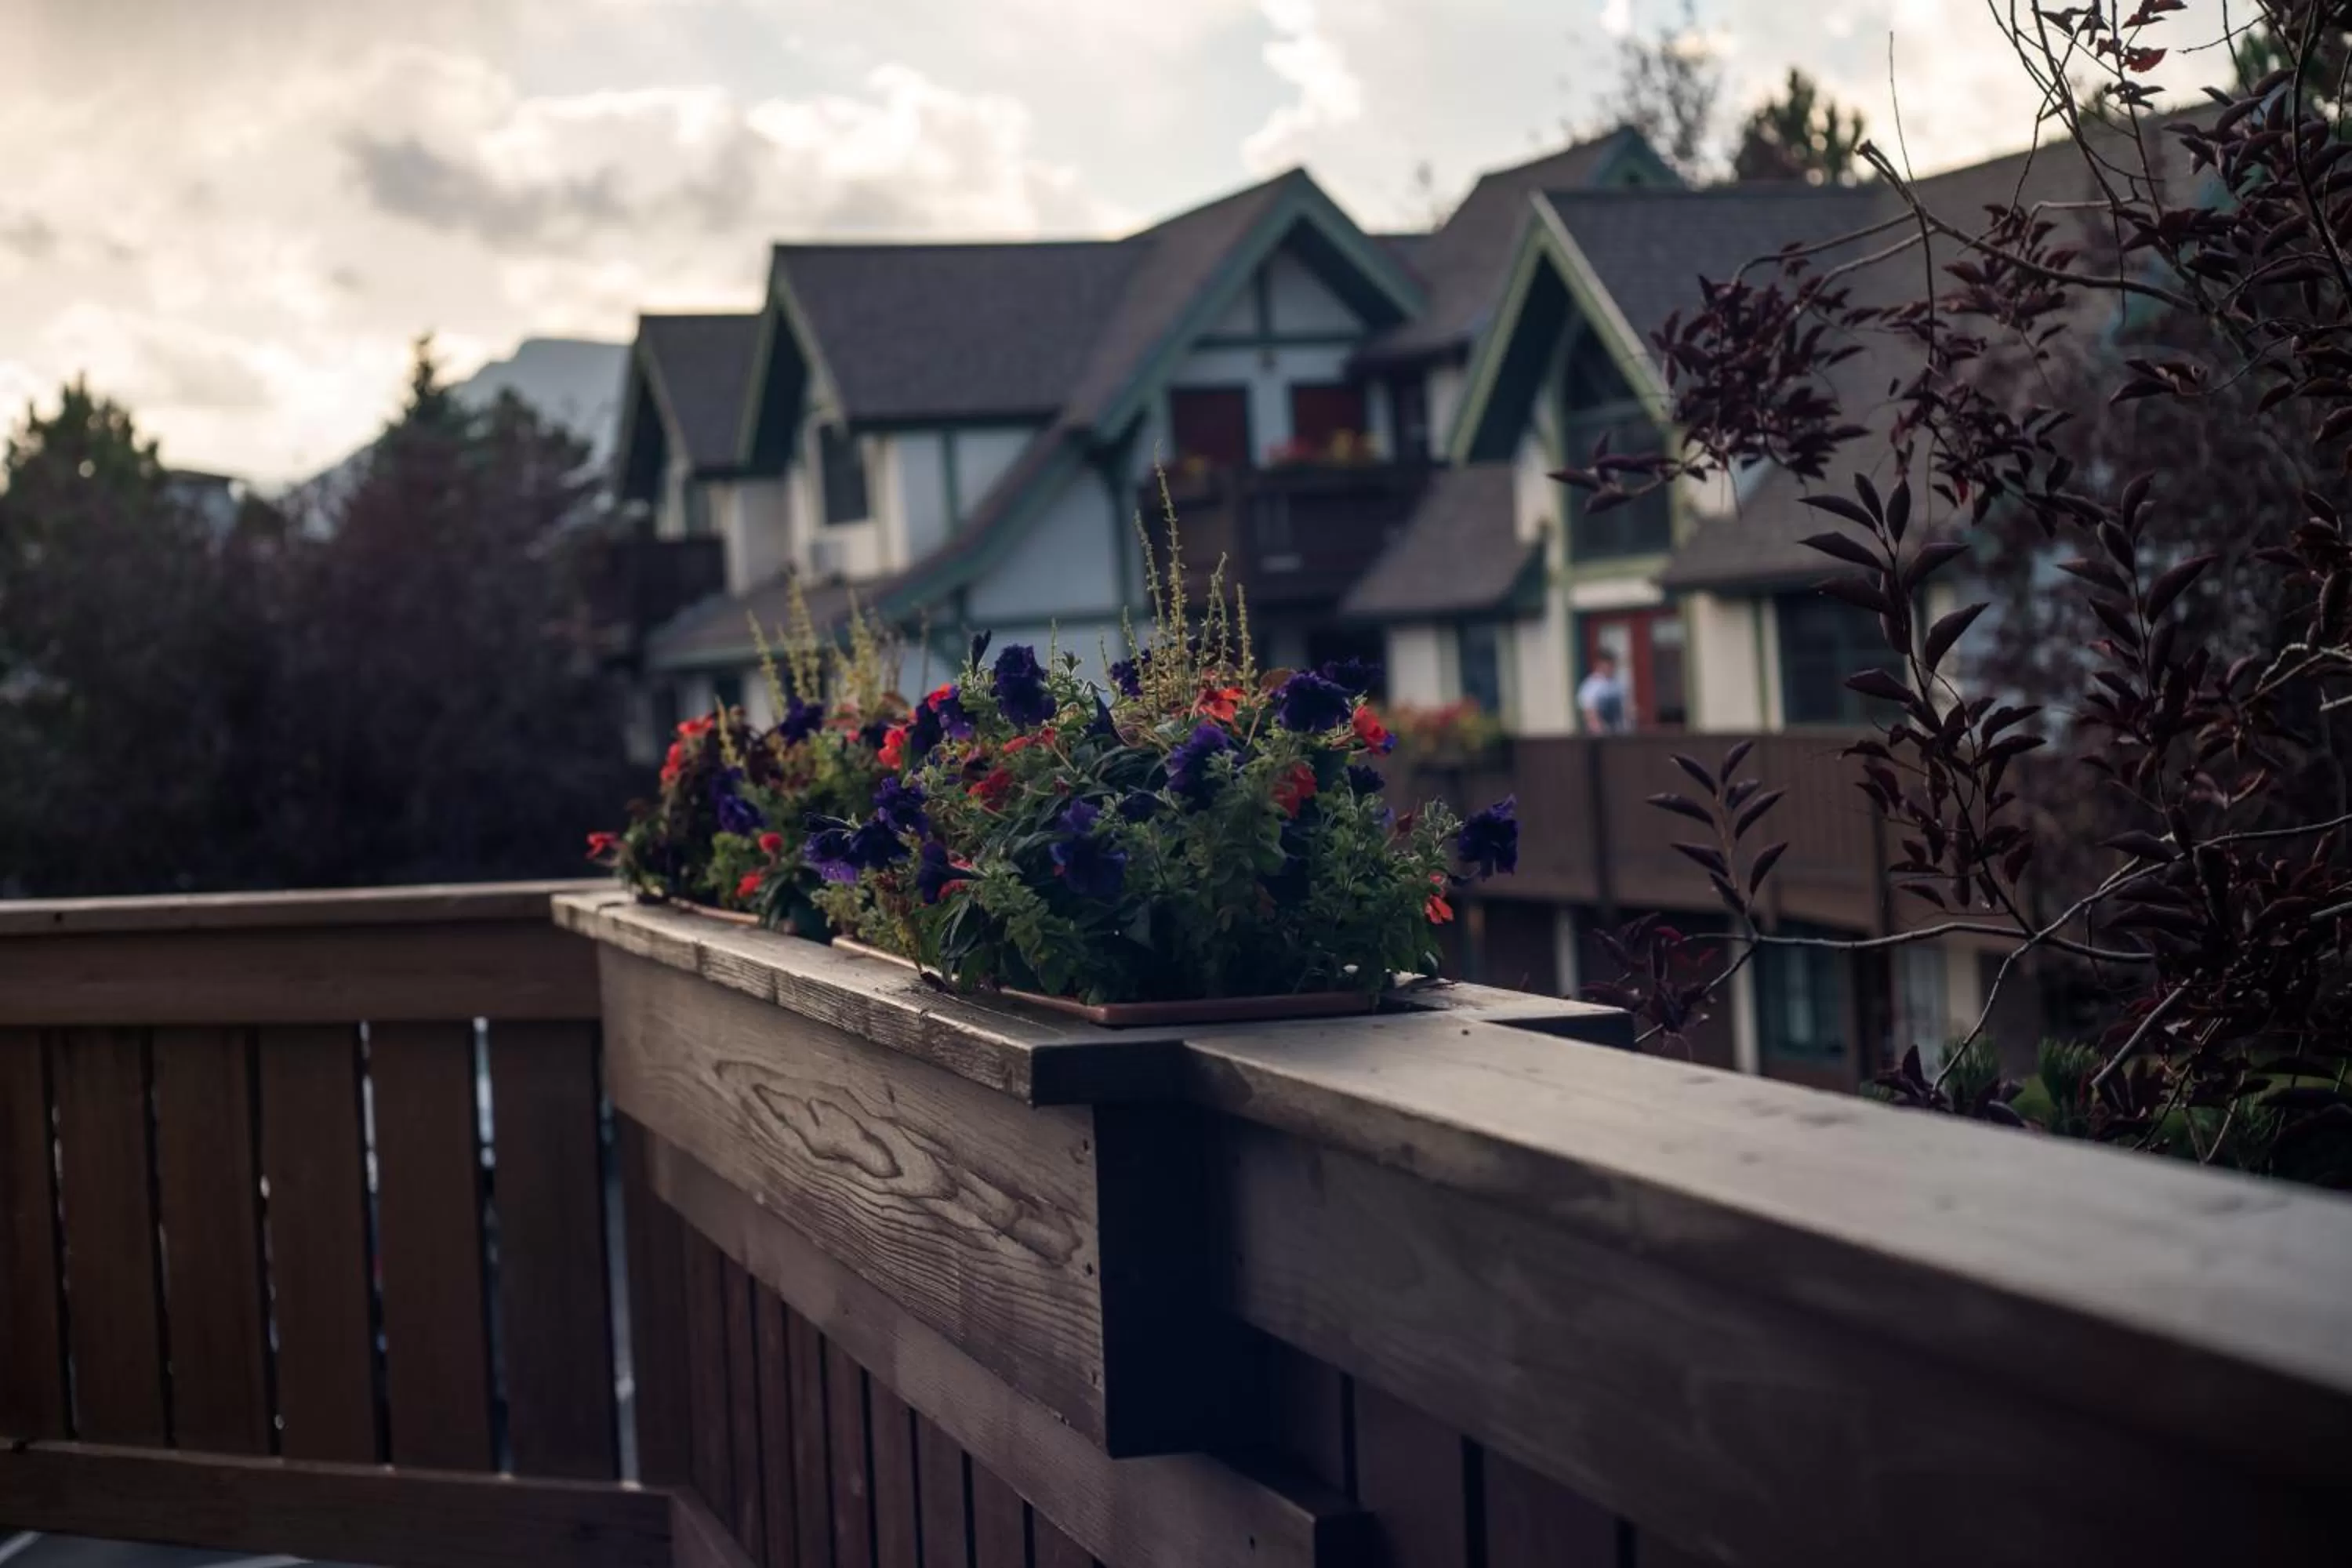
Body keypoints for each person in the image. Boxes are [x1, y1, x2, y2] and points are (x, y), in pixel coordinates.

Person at [1577, 649, 1629, 734]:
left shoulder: (1618, 685)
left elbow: (1625, 709)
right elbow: (1589, 713)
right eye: (1607, 664)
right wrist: (1600, 731)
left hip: (1618, 733)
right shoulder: (1591, 686)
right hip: (1599, 736)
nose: (1610, 668)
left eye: (1612, 665)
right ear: (1600, 665)